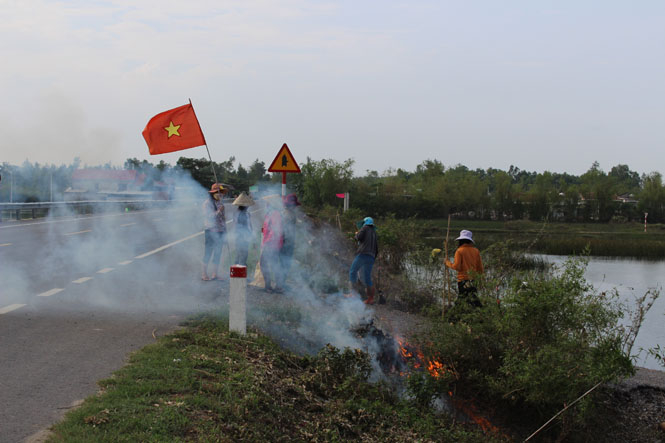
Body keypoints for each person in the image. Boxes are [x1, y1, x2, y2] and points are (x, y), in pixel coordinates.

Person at [445, 229, 484, 307]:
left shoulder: (459, 251)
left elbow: (457, 267)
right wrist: (480, 280)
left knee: (463, 299)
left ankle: (453, 314)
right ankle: (480, 313)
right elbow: (480, 268)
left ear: (460, 241)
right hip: (473, 280)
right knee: (472, 298)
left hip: (463, 280)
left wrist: (447, 263)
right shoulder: (476, 251)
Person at [349, 217, 379, 305]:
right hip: (371, 257)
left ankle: (353, 294)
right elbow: (376, 248)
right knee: (367, 277)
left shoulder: (365, 228)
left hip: (363, 254)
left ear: (366, 222)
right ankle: (371, 298)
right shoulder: (374, 232)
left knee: (352, 271)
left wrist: (356, 234)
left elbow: (359, 237)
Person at [201, 183, 227, 281]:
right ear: (213, 193)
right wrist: (219, 211)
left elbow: (222, 219)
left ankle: (215, 274)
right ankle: (204, 274)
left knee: (218, 252)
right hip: (211, 230)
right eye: (218, 193)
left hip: (220, 231)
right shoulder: (207, 203)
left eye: (221, 193)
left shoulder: (220, 203)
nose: (220, 195)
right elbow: (209, 217)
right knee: (208, 252)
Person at [260, 194, 284, 293]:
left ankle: (269, 286)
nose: (266, 204)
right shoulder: (270, 213)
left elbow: (276, 231)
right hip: (272, 243)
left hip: (271, 244)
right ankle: (277, 286)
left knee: (264, 264)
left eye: (267, 203)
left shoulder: (275, 214)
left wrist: (267, 243)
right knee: (274, 264)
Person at [279, 193, 301, 288]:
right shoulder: (288, 214)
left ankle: (281, 283)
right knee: (285, 264)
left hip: (287, 242)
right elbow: (283, 230)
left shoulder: (287, 213)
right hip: (286, 243)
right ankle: (280, 284)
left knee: (284, 263)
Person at [232, 192, 255, 267]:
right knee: (242, 254)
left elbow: (249, 225)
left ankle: (238, 273)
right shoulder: (240, 214)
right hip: (241, 237)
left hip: (244, 236)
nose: (248, 206)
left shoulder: (246, 213)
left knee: (241, 254)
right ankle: (239, 273)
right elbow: (240, 228)